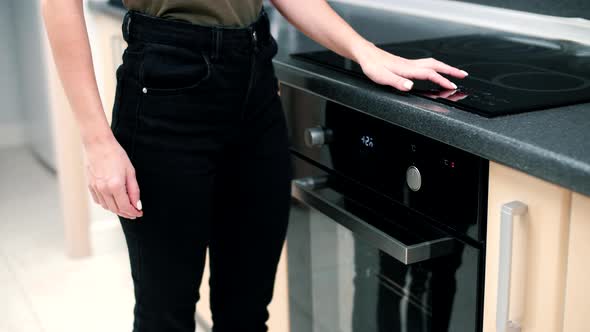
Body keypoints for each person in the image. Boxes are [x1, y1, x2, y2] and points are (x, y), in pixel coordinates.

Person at [41, 0, 467, 331]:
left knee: (246, 314)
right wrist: (97, 143)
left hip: (255, 80)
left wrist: (363, 51)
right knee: (165, 317)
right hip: (167, 85)